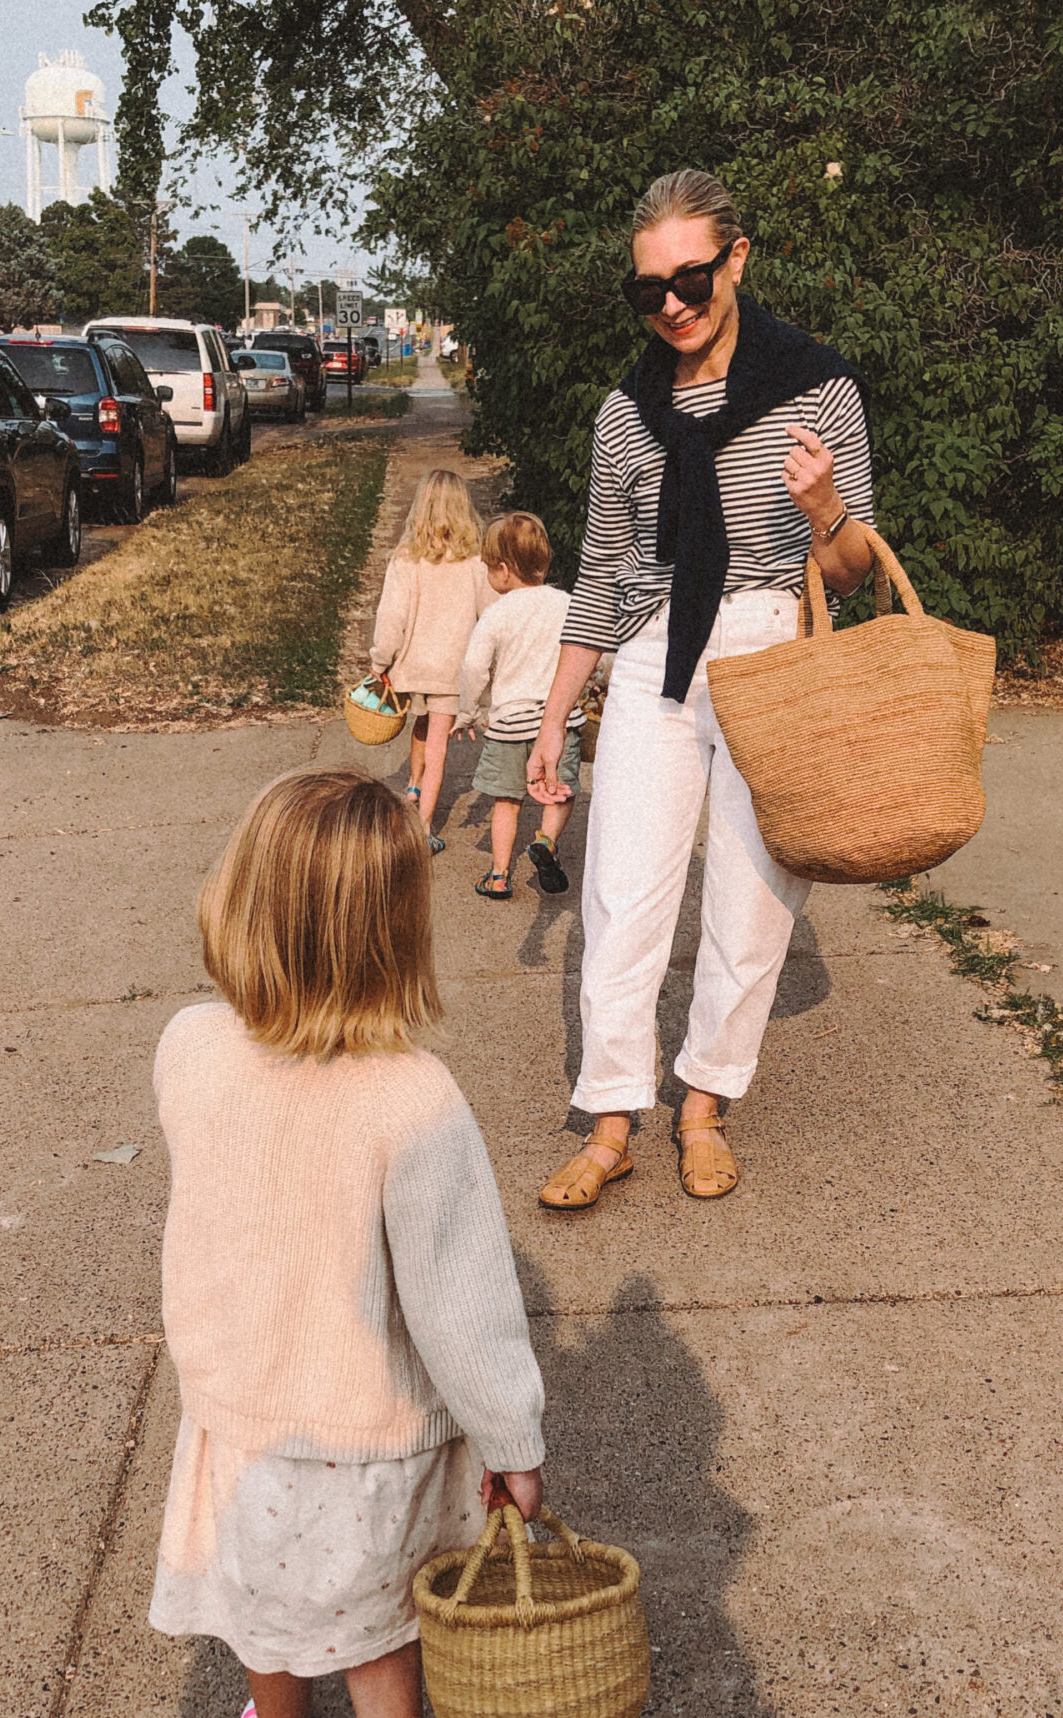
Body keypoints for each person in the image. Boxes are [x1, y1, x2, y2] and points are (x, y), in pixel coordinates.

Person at [148, 771, 546, 1718]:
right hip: (370, 1450)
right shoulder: (413, 1098)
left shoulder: (189, 1047)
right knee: (383, 1679)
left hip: (244, 1432)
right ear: (398, 931)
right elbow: (465, 1309)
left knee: (265, 1629)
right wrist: (513, 1442)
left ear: (240, 897)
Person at [527, 169, 874, 1210]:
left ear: (737, 259)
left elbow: (855, 570)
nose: (671, 303)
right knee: (622, 892)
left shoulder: (820, 388)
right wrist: (554, 720)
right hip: (652, 657)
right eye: (648, 289)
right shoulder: (626, 414)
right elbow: (598, 570)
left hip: (774, 646)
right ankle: (614, 1117)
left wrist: (823, 508)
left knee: (751, 901)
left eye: (690, 277)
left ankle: (705, 1104)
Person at [455, 511, 588, 899]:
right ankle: (546, 842)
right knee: (560, 789)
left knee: (506, 801)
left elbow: (474, 667)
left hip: (510, 722)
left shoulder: (496, 614)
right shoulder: (566, 603)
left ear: (502, 570)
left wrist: (469, 710)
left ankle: (498, 875)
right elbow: (592, 649)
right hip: (558, 720)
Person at [370, 470, 495, 853]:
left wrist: (380, 659)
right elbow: (489, 614)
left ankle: (412, 782)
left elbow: (392, 615)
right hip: (451, 669)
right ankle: (424, 826)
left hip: (413, 665)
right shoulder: (476, 560)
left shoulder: (406, 557)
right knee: (439, 741)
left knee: (421, 723)